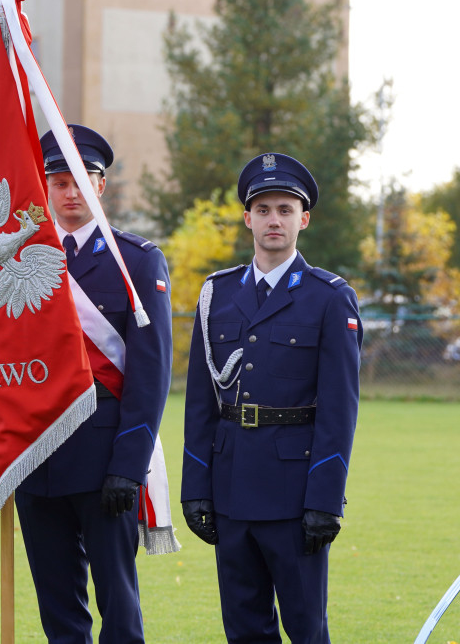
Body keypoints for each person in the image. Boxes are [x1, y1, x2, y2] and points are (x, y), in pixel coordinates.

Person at [181, 153, 362, 643]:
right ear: (247, 219)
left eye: (285, 209)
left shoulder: (329, 297)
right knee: (243, 627)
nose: (274, 219)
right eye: (263, 210)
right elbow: (200, 401)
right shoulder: (217, 294)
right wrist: (195, 486)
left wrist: (325, 499)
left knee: (305, 627)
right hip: (231, 486)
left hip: (295, 492)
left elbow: (340, 410)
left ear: (303, 219)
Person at [13, 125, 173, 643]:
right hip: (39, 458)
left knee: (119, 610)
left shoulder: (138, 260)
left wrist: (128, 467)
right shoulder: (20, 263)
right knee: (58, 609)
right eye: (58, 181)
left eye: (82, 179)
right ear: (45, 186)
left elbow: (150, 374)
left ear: (100, 186)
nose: (70, 191)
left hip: (106, 458)